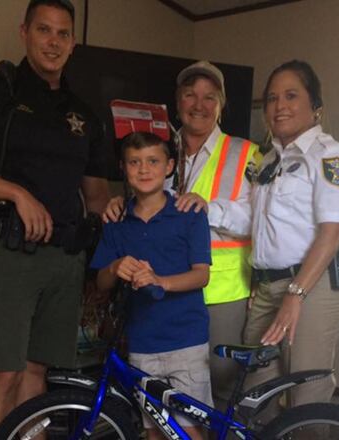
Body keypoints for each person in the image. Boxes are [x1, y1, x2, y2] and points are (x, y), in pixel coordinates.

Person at [0, 1, 109, 438]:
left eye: (63, 34)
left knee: (37, 375)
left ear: (72, 43)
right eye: (44, 30)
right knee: (4, 376)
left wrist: (99, 259)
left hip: (65, 259)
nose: (53, 41)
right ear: (25, 33)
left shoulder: (83, 113)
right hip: (9, 254)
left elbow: (96, 195)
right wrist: (17, 194)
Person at [104, 61, 258, 411]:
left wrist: (208, 207)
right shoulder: (157, 149)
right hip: (162, 286)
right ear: (177, 102)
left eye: (209, 96)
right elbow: (148, 202)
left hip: (221, 288)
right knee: (163, 394)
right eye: (190, 95)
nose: (199, 104)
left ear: (222, 104)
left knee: (218, 384)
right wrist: (121, 203)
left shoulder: (245, 153)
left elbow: (256, 219)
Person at [243, 60, 339, 417]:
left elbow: (335, 231)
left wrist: (295, 295)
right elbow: (252, 219)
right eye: (272, 98)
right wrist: (201, 206)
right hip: (267, 288)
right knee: (254, 394)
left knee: (305, 397)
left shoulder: (331, 157)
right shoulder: (268, 161)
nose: (280, 106)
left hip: (312, 287)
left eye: (291, 96)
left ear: (315, 106)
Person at [91, 131, 212, 440]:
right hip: (142, 342)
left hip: (186, 339)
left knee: (189, 430)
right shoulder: (116, 219)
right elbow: (102, 283)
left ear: (169, 166)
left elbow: (201, 275)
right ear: (123, 168)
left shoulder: (189, 214)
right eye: (134, 162)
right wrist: (116, 267)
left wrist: (160, 281)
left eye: (153, 161)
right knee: (155, 430)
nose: (144, 170)